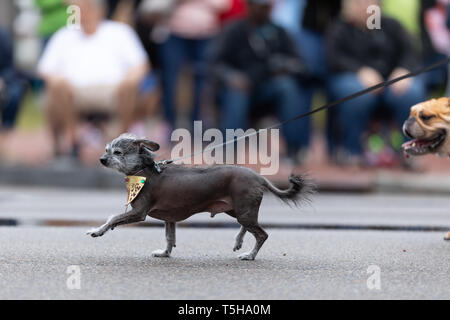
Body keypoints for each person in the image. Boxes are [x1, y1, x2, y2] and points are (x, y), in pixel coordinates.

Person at [38, 0, 149, 159]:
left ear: (100, 11)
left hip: (112, 91)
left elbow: (141, 65)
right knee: (56, 87)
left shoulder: (120, 32)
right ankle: (72, 143)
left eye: (87, 10)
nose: (83, 15)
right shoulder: (64, 35)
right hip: (74, 91)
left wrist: (130, 80)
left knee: (130, 87)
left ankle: (119, 145)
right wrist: (58, 80)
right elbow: (45, 69)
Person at [326, 0, 427, 164]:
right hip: (353, 80)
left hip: (391, 82)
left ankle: (409, 152)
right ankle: (353, 152)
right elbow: (334, 59)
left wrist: (403, 70)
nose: (367, 6)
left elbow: (411, 52)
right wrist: (360, 71)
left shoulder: (392, 26)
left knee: (412, 92)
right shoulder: (339, 29)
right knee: (355, 93)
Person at [210, 0, 310, 161]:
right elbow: (215, 64)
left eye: (267, 7)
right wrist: (231, 76)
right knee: (237, 93)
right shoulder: (234, 30)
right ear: (249, 6)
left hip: (267, 88)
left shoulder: (279, 32)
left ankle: (293, 150)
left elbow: (300, 64)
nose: (263, 10)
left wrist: (284, 66)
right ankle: (229, 153)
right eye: (259, 6)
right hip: (240, 87)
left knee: (288, 87)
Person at [159, 0, 230, 130]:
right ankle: (169, 124)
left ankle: (197, 125)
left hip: (206, 35)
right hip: (175, 33)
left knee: (203, 82)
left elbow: (223, 5)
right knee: (171, 80)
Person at [0, 27, 26, 132]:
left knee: (15, 91)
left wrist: (3, 79)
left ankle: (7, 129)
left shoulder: (3, 35)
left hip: (3, 77)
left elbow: (10, 66)